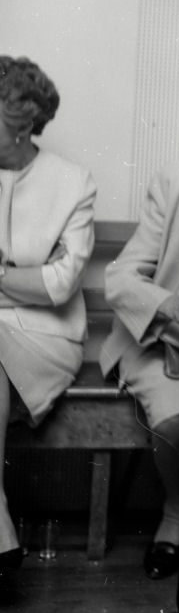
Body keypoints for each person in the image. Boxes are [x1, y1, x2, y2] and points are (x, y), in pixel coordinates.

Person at [0, 56, 96, 584]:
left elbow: (60, 286)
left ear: (20, 126)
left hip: (48, 339)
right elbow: (44, 277)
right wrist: (23, 275)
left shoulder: (72, 183)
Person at [99, 163, 179, 580]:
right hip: (161, 342)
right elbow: (120, 278)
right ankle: (177, 509)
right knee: (176, 418)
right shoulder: (176, 184)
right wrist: (173, 305)